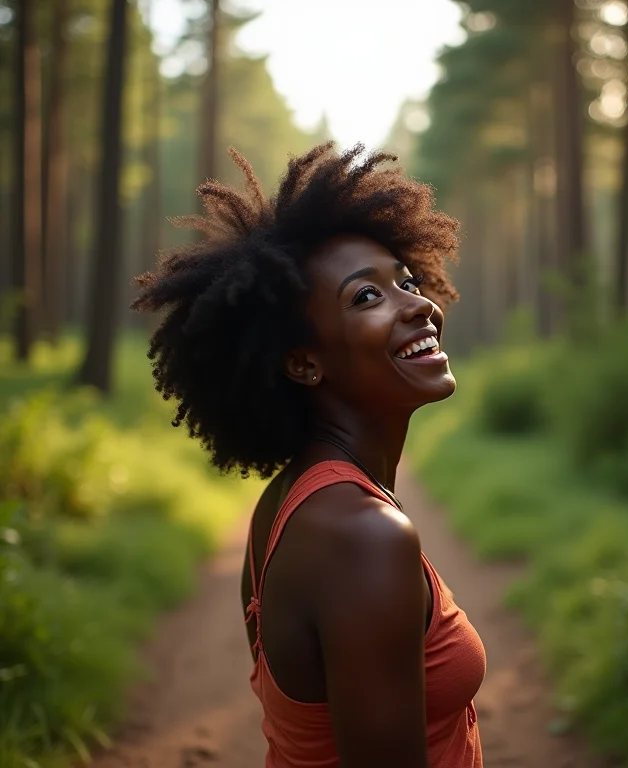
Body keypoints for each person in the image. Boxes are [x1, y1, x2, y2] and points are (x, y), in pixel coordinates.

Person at [131, 142, 486, 767]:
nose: (419, 305)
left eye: (405, 281)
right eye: (366, 298)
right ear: (303, 362)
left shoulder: (296, 502)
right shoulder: (361, 535)